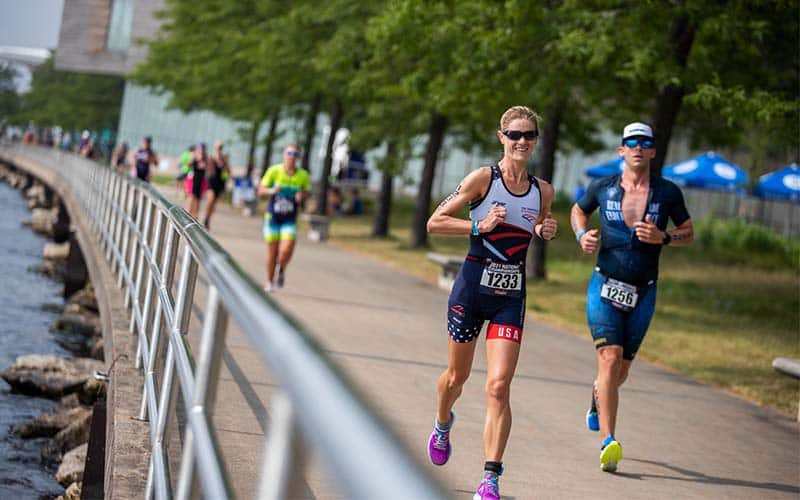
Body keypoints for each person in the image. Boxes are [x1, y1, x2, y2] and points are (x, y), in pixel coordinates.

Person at [425, 105, 557, 500]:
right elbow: (435, 222)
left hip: (509, 297)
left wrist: (544, 228)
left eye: (528, 135)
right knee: (456, 378)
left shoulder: (543, 190)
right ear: (502, 137)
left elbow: (537, 221)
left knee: (498, 387)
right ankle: (442, 422)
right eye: (514, 135)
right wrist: (478, 225)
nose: (521, 141)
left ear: (536, 140)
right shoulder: (483, 178)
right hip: (470, 291)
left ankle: (490, 477)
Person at [571, 122, 693, 473]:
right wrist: (581, 235)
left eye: (645, 142)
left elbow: (688, 232)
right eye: (631, 142)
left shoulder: (667, 193)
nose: (638, 147)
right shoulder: (603, 187)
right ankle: (609, 441)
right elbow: (578, 210)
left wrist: (664, 237)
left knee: (620, 370)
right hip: (604, 285)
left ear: (653, 150)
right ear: (621, 149)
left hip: (644, 291)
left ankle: (598, 396)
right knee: (609, 359)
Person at [257, 144, 310, 292]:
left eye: (295, 154)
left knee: (286, 251)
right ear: (284, 154)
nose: (291, 156)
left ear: (298, 157)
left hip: (289, 219)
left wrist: (302, 195)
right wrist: (272, 190)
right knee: (272, 253)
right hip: (272, 218)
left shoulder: (303, 175)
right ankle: (269, 282)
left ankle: (281, 268)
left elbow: (307, 192)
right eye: (289, 153)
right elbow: (260, 191)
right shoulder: (274, 171)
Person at [203, 141, 230, 229]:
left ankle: (208, 219)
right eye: (218, 147)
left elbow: (228, 172)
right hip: (211, 182)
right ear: (215, 148)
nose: (219, 149)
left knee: (214, 204)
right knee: (210, 199)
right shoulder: (211, 158)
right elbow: (210, 171)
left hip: (220, 183)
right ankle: (206, 216)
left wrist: (225, 163)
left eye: (220, 147)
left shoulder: (224, 159)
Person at [186, 142, 211, 219]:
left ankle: (195, 217)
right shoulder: (194, 155)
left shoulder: (206, 158)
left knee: (198, 199)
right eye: (200, 148)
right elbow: (188, 164)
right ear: (198, 149)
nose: (202, 150)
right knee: (191, 197)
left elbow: (210, 169)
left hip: (201, 180)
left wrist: (206, 164)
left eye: (203, 149)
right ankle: (187, 214)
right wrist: (193, 159)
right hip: (193, 179)